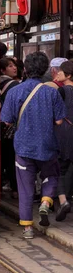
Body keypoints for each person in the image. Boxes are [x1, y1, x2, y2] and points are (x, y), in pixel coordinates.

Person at [1, 51, 66, 239]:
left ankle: (28, 227)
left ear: (26, 69)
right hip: (47, 145)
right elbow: (60, 121)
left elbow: (6, 120)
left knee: (25, 187)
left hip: (23, 147)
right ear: (46, 69)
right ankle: (46, 202)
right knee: (52, 175)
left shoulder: (15, 92)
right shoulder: (51, 92)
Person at [54, 60, 73, 221]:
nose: (57, 74)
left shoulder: (62, 92)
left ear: (68, 75)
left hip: (64, 133)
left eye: (61, 72)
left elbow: (57, 116)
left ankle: (63, 201)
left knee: (59, 168)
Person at [0, 57, 20, 198]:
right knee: (12, 158)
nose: (14, 68)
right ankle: (15, 188)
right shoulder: (14, 85)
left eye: (14, 65)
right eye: (10, 66)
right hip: (10, 126)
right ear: (3, 69)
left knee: (2, 156)